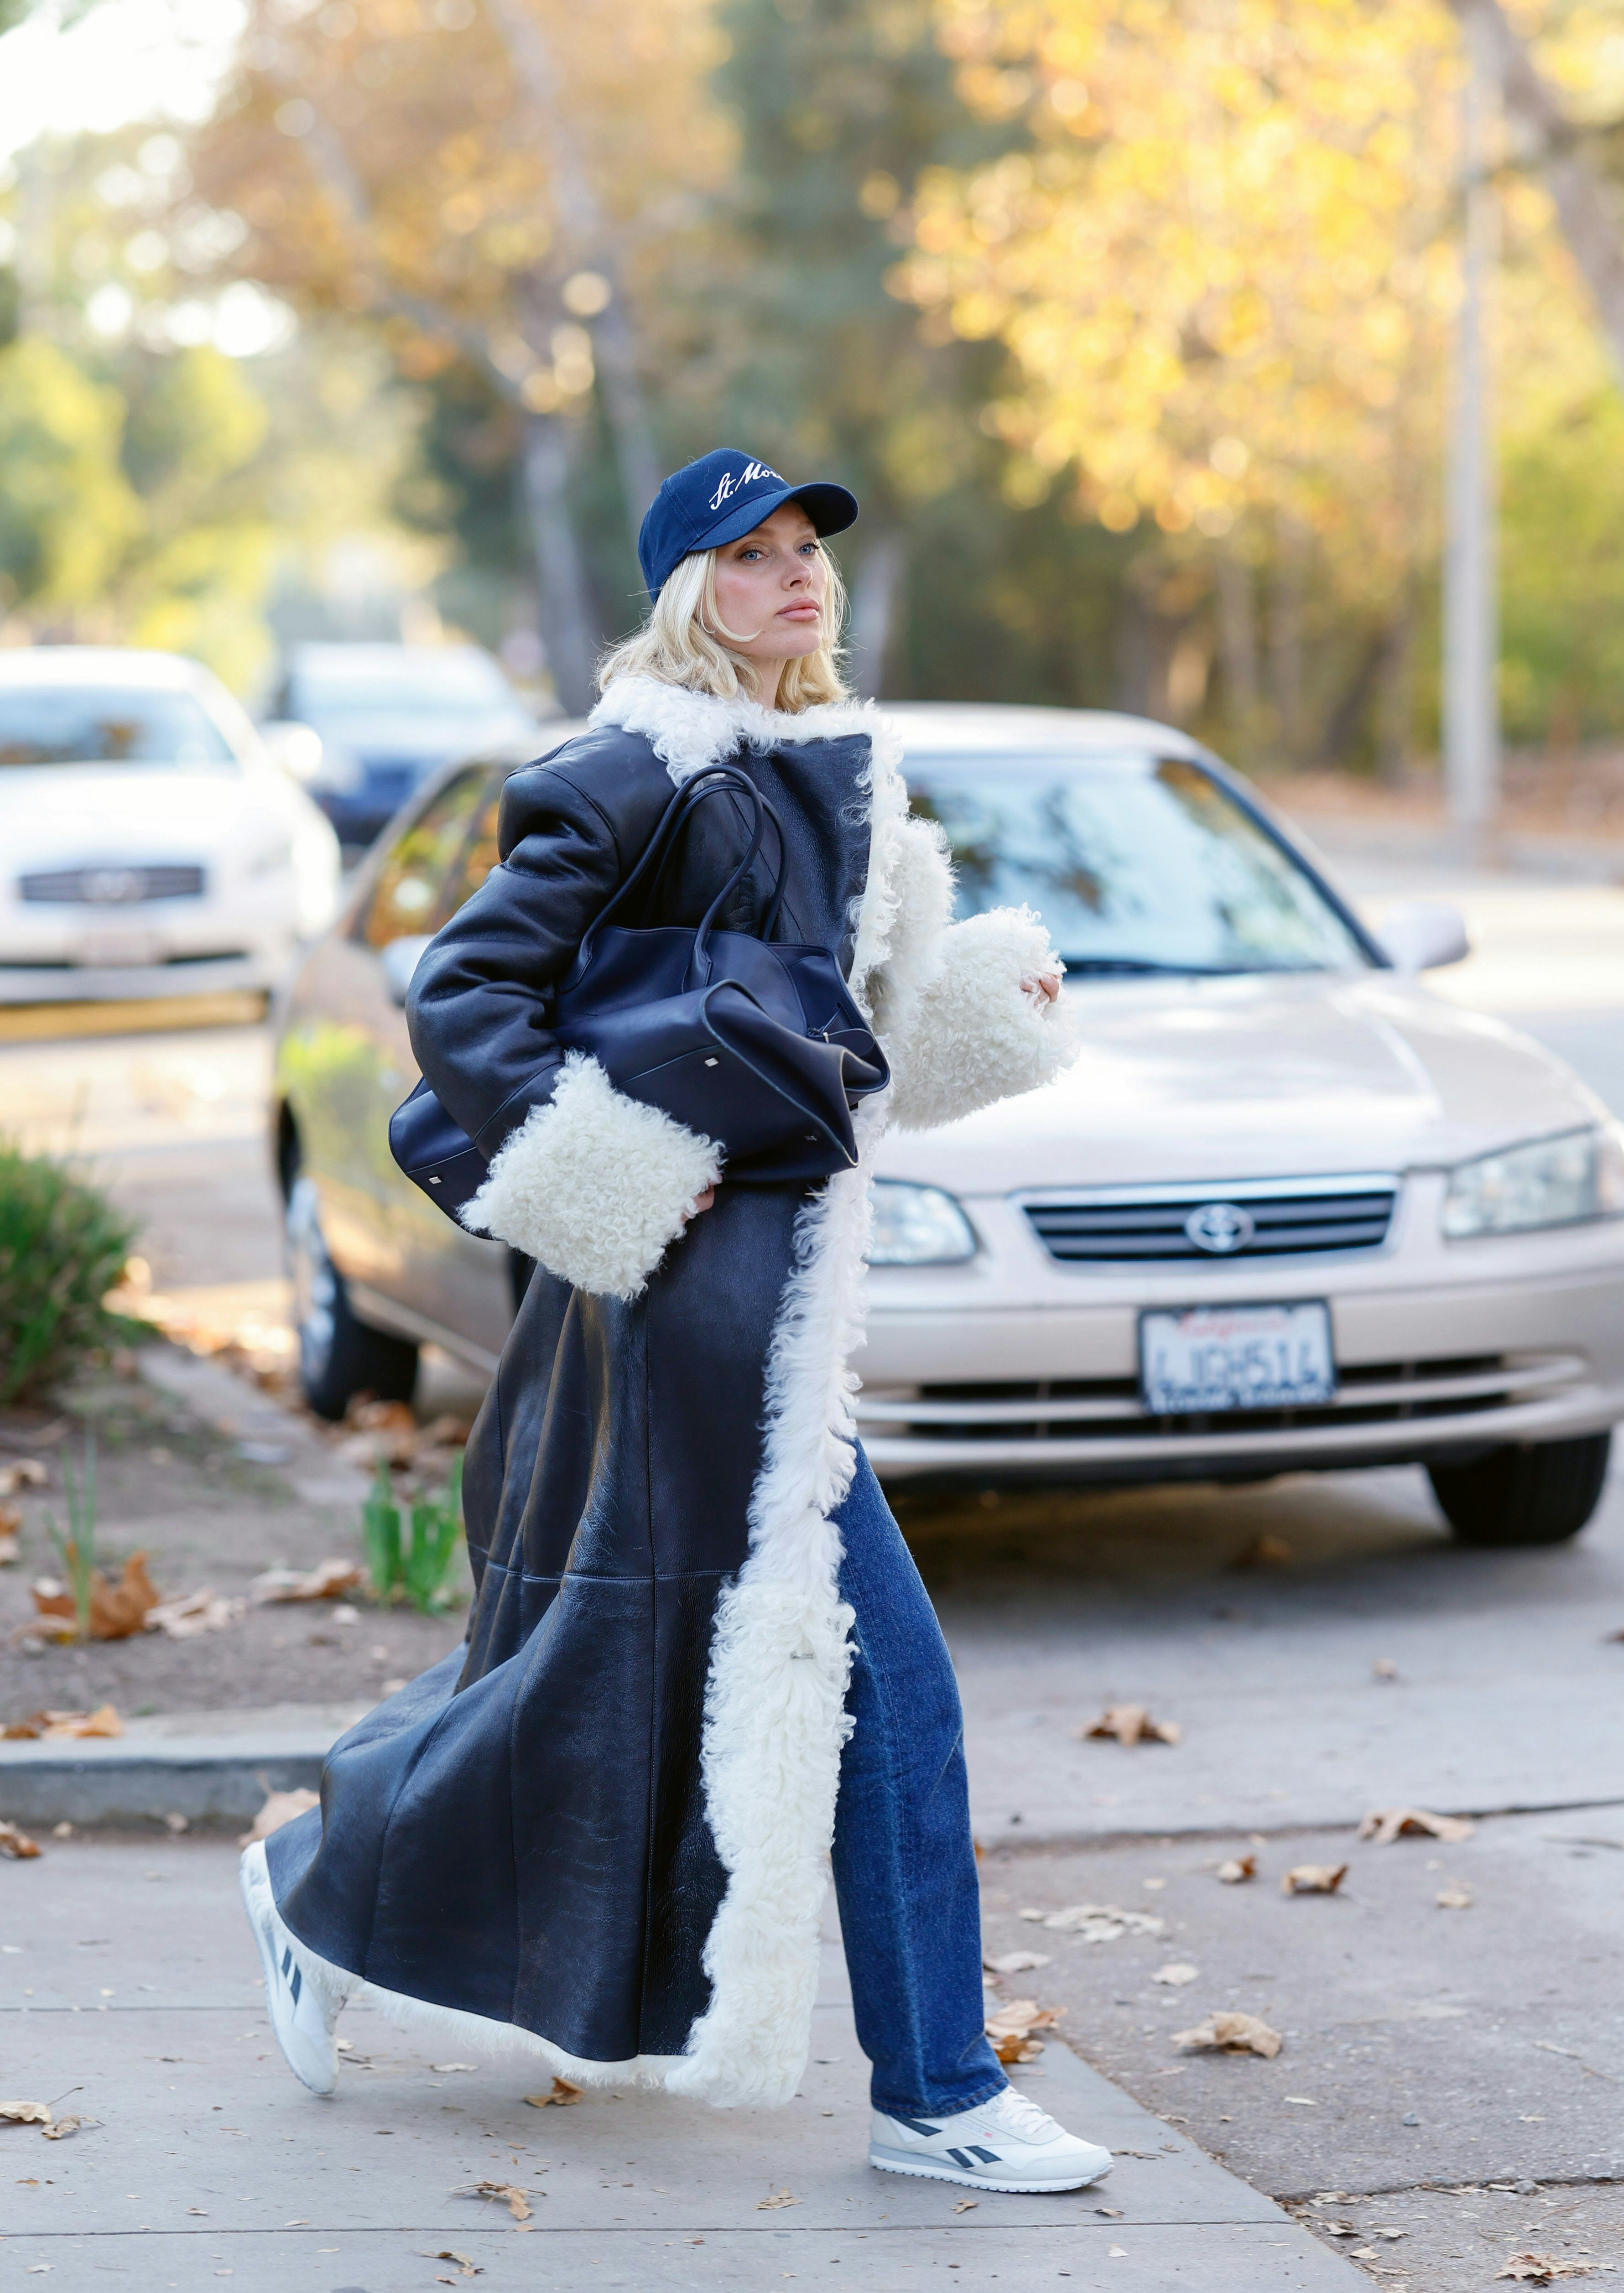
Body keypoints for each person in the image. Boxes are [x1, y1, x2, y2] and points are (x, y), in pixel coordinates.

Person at [240, 445, 1110, 2194]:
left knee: (585, 1678)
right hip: (702, 1309)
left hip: (786, 1307)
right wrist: (620, 1176)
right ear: (682, 590)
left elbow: (817, 1051)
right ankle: (937, 2090)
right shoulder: (631, 770)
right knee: (895, 1686)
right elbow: (468, 995)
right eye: (750, 555)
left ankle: (314, 1879)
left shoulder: (821, 770)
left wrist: (977, 1010)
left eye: (808, 552)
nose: (797, 578)